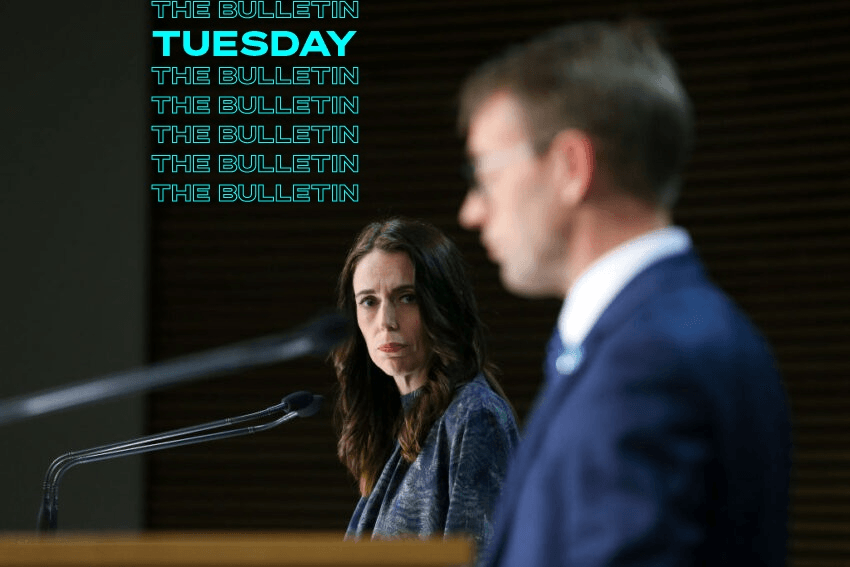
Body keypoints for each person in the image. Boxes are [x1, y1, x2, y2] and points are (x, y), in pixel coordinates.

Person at [456, 19, 792, 567]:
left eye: (484, 173)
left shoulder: (647, 364)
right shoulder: (678, 330)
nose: (471, 211)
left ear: (571, 167)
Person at [332, 217, 519, 552]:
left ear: (441, 305)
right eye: (369, 301)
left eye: (407, 297)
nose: (386, 322)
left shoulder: (475, 415)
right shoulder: (391, 420)